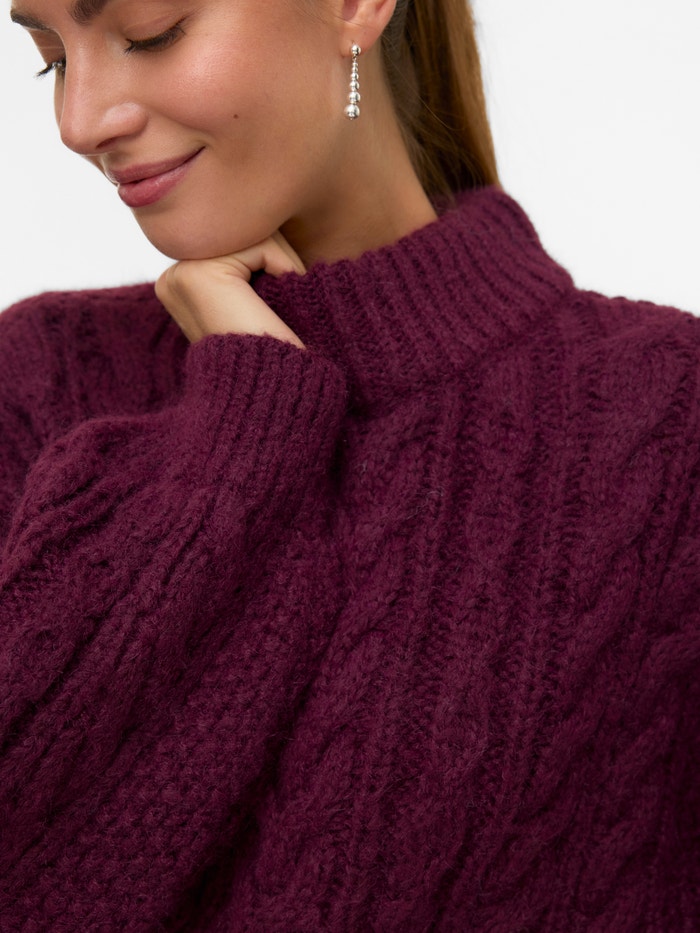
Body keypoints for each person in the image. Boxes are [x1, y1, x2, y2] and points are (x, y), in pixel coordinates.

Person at [1, 0, 697, 929]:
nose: (79, 121)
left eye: (151, 31)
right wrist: (240, 435)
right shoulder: (41, 381)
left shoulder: (670, 423)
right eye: (50, 57)